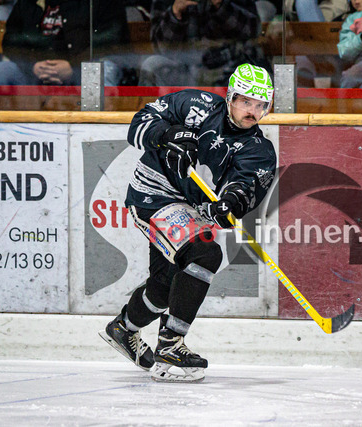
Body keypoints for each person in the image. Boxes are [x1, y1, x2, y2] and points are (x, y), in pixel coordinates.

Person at [100, 63, 276, 383]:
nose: (252, 111)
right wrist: (168, 135)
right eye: (245, 101)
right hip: (153, 193)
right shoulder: (196, 104)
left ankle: (123, 329)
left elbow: (246, 190)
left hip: (191, 208)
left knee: (165, 284)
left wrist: (230, 203)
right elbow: (139, 124)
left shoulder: (259, 150)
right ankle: (170, 344)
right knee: (204, 254)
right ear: (230, 97)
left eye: (260, 105)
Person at [0, 0, 130, 86]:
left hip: (82, 70)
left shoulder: (102, 2)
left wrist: (74, 67)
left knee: (99, 73)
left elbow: (113, 40)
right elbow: (11, 41)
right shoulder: (29, 1)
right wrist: (32, 65)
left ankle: (97, 128)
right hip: (34, 72)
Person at [138, 0, 268, 87]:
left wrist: (221, 5)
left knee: (256, 71)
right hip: (184, 69)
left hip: (230, 68)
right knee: (151, 65)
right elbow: (160, 47)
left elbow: (253, 32)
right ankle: (154, 118)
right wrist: (175, 12)